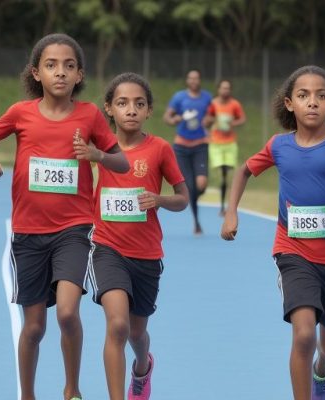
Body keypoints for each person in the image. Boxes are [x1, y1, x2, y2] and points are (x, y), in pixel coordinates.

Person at [0, 33, 128, 400]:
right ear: (36, 73)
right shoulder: (20, 113)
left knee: (68, 314)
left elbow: (120, 160)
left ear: (79, 75)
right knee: (34, 327)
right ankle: (27, 394)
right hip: (28, 234)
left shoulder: (89, 115)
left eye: (68, 66)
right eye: (51, 65)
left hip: (73, 231)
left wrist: (97, 155)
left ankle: (71, 389)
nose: (60, 72)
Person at [220, 65, 325, 400]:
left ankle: (322, 368)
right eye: (304, 95)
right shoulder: (279, 146)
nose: (312, 102)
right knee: (304, 335)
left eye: (320, 96)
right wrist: (231, 212)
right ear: (290, 103)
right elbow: (243, 172)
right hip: (294, 253)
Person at [90, 73, 188, 400]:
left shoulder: (159, 149)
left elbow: (182, 197)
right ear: (109, 108)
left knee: (136, 333)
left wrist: (159, 200)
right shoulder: (100, 146)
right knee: (116, 325)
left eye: (139, 103)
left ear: (148, 111)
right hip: (107, 249)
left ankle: (143, 366)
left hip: (146, 256)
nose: (131, 109)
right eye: (122, 103)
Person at [163, 70, 212, 235]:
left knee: (201, 185)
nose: (193, 81)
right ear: (187, 80)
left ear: (199, 80)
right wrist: (175, 119)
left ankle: (193, 199)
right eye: (190, 78)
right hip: (181, 147)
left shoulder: (207, 98)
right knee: (190, 186)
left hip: (200, 146)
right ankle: (197, 222)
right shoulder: (179, 97)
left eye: (196, 78)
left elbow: (213, 117)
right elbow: (167, 117)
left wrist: (209, 121)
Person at [202, 79, 245, 215]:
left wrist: (233, 124)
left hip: (230, 143)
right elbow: (206, 121)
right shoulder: (213, 104)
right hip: (216, 143)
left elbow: (242, 119)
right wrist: (209, 123)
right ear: (219, 89)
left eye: (227, 88)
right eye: (223, 88)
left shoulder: (234, 105)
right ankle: (221, 205)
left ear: (230, 90)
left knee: (229, 174)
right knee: (221, 173)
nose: (225, 90)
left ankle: (226, 205)